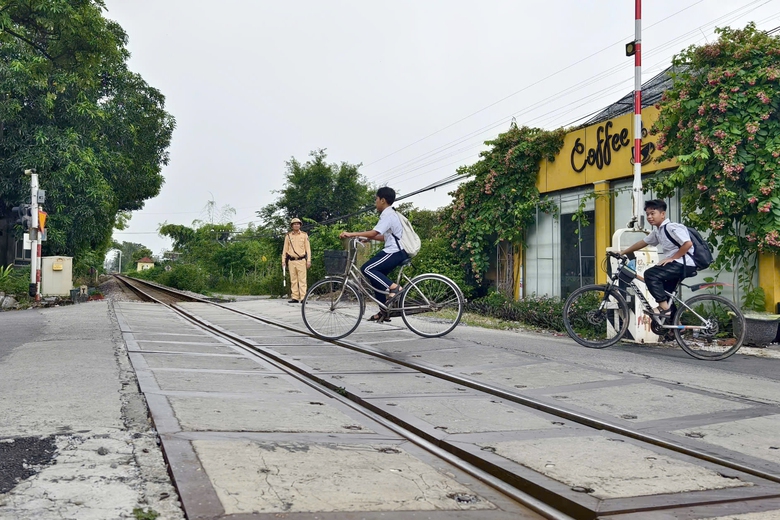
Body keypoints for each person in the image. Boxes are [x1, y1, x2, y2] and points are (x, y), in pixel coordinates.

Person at [619, 199, 698, 320]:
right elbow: (642, 242)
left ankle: (665, 310)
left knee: (650, 274)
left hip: (684, 263)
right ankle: (675, 327)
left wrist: (672, 258)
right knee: (666, 295)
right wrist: (622, 252)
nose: (649, 217)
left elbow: (688, 244)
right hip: (677, 263)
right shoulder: (658, 231)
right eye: (647, 214)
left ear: (662, 214)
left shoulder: (672, 227)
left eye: (652, 213)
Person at [339, 187, 407, 322]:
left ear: (383, 200)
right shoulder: (390, 214)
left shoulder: (388, 215)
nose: (375, 202)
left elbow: (374, 232)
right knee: (376, 279)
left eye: (376, 199)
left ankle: (396, 288)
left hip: (395, 251)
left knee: (367, 269)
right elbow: (383, 237)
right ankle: (384, 311)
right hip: (394, 250)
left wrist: (352, 234)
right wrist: (367, 238)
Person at [282, 217, 311, 303]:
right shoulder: (288, 236)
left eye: (298, 224)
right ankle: (294, 297)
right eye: (294, 224)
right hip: (291, 261)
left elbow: (308, 249)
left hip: (301, 260)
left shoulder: (304, 235)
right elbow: (285, 249)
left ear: (300, 225)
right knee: (293, 279)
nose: (296, 225)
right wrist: (283, 261)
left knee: (302, 280)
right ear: (292, 226)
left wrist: (308, 260)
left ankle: (303, 298)